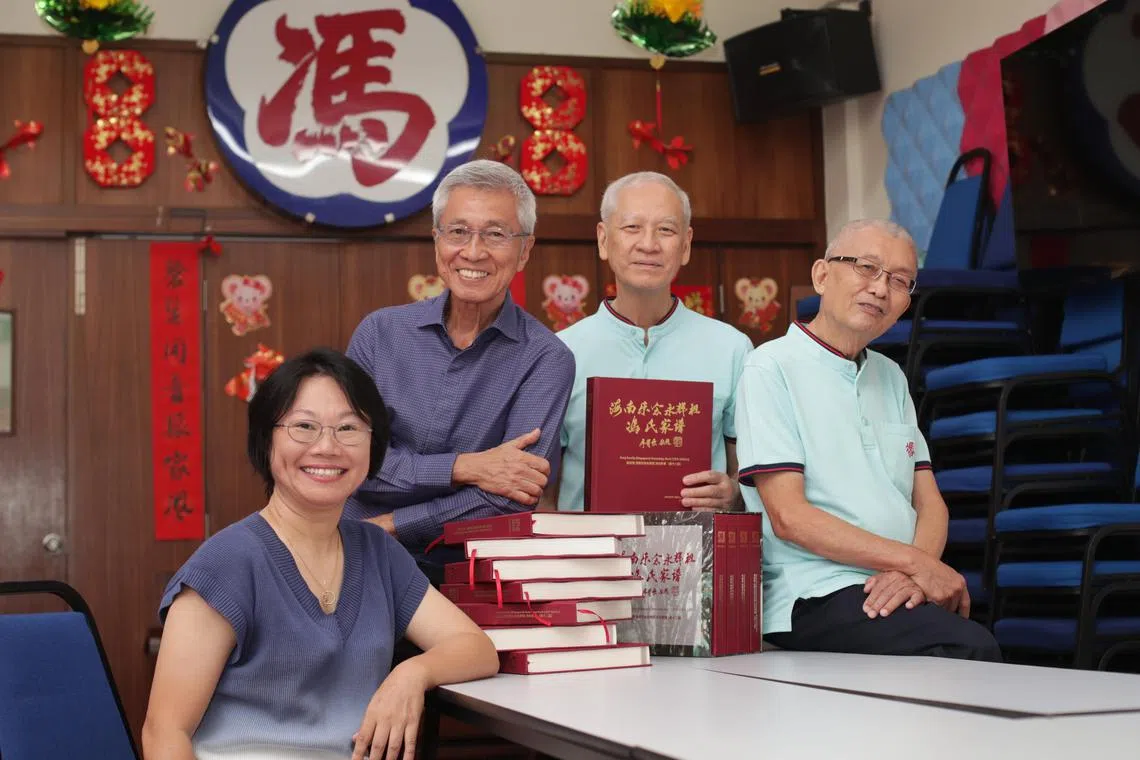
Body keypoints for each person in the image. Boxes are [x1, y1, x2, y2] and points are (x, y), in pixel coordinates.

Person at [142, 349, 499, 760]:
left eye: (348, 428)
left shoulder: (378, 552)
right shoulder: (225, 564)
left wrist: (412, 673)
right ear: (266, 440)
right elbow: (164, 736)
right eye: (304, 427)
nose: (327, 447)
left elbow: (475, 647)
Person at [735, 219, 1002, 661]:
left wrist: (913, 574)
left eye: (899, 281)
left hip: (890, 581)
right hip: (813, 590)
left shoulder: (890, 375)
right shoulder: (770, 367)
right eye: (866, 267)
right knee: (967, 647)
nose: (880, 289)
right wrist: (915, 564)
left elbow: (930, 503)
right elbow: (789, 517)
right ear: (822, 275)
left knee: (977, 634)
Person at [344, 160, 575, 580]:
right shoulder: (379, 333)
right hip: (351, 561)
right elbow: (351, 460)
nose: (473, 251)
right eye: (458, 231)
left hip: (466, 576)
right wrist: (466, 468)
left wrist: (391, 524)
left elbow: (510, 498)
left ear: (525, 250)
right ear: (437, 243)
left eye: (495, 234)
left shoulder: (546, 359)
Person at [543, 172, 753, 512]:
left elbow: (748, 472)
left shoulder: (732, 349)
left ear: (685, 245)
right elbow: (544, 492)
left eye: (666, 230)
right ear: (603, 240)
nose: (649, 244)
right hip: (588, 545)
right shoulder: (560, 352)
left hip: (696, 544)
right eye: (632, 227)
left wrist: (733, 493)